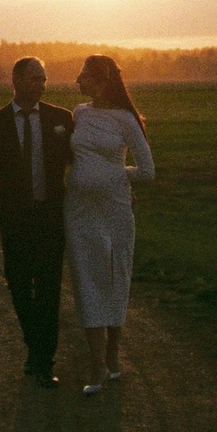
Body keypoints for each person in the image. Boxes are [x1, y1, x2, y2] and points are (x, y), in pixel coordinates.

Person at [0, 57, 77, 383]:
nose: (41, 85)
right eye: (35, 79)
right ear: (17, 80)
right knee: (20, 287)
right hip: (15, 221)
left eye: (44, 79)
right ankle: (35, 346)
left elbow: (81, 167)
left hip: (51, 218)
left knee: (48, 291)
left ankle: (43, 361)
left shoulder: (61, 119)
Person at [66, 54, 155, 396]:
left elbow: (147, 171)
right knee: (86, 280)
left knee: (115, 276)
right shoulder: (80, 113)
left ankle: (113, 355)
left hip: (115, 210)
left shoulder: (125, 121)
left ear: (103, 81)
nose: (78, 80)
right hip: (79, 210)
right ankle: (97, 365)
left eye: (85, 76)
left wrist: (114, 176)